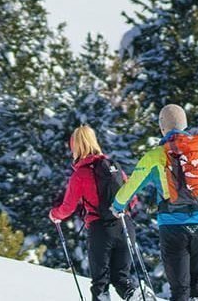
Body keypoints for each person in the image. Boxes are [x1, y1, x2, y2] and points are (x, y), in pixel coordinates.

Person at [112, 104, 198, 301]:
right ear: (185, 124)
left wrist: (117, 206)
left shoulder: (156, 155)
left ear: (162, 127)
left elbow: (129, 190)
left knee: (180, 289)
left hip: (172, 228)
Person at [49, 124, 136, 301]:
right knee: (122, 279)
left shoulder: (81, 174)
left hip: (100, 231)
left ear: (75, 147)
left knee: (100, 284)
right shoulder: (114, 167)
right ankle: (137, 296)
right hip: (125, 226)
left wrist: (54, 215)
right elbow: (132, 199)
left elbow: (68, 207)